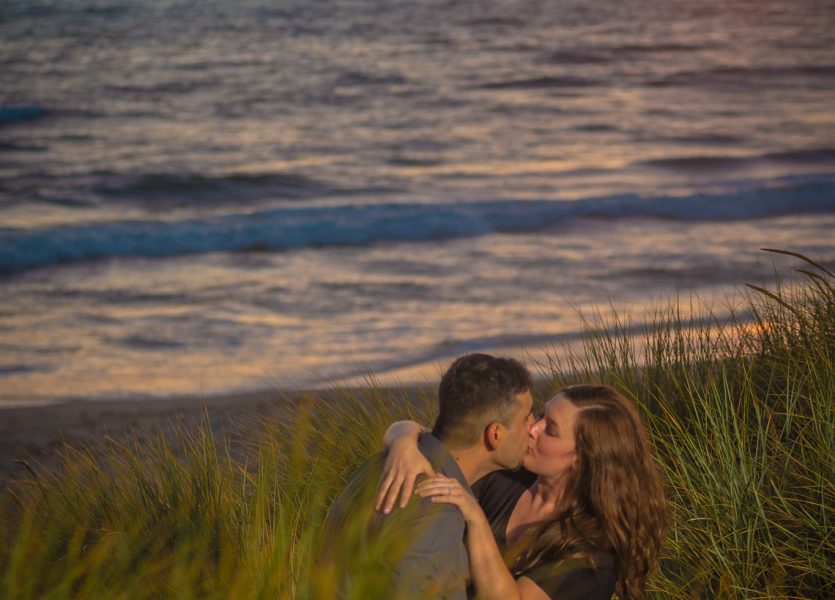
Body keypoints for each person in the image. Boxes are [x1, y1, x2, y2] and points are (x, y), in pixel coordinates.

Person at [377, 384, 668, 600]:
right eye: (540, 416)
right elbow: (420, 432)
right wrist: (403, 442)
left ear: (583, 459)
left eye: (550, 429)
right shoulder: (508, 475)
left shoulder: (592, 557)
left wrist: (476, 519)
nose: (533, 429)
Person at [317, 353, 535, 599]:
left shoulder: (387, 462)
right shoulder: (435, 510)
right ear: (495, 434)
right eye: (527, 418)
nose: (533, 426)